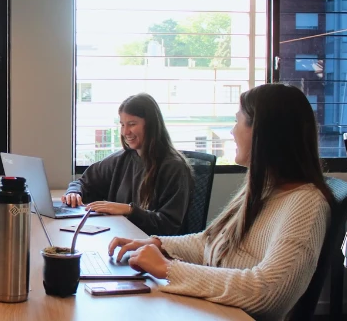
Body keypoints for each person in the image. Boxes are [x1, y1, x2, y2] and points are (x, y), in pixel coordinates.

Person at [108, 84, 332, 321]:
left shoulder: (306, 204)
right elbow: (210, 242)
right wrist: (156, 243)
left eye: (238, 121)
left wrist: (168, 269)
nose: (232, 132)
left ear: (263, 133)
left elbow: (267, 292)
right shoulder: (264, 187)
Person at [62, 93, 193, 235]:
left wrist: (129, 210)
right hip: (122, 236)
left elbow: (168, 225)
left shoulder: (174, 168)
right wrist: (74, 192)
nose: (125, 132)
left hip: (152, 245)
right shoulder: (123, 158)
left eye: (132, 124)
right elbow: (85, 182)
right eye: (122, 125)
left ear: (151, 125)